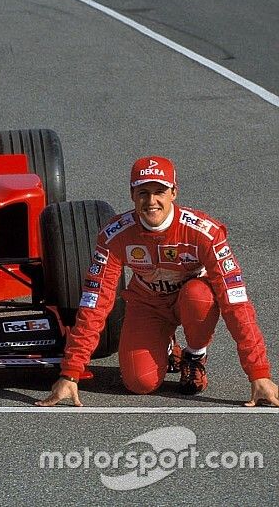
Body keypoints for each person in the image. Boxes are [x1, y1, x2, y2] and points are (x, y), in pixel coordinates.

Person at [37, 156, 279, 407]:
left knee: (199, 295)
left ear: (174, 192)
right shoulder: (114, 234)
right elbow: (95, 303)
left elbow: (236, 304)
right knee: (139, 383)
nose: (151, 201)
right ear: (132, 194)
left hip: (193, 300)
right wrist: (71, 372)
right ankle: (166, 346)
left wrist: (259, 373)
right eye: (143, 192)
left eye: (159, 192)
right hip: (148, 305)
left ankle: (194, 356)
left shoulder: (206, 233)